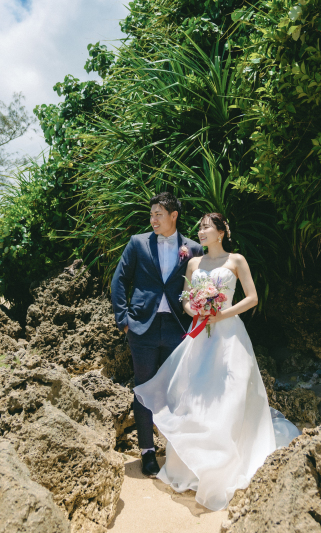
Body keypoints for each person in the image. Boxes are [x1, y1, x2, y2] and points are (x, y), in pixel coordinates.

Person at [133, 212, 300, 511]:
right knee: (194, 396)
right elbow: (185, 299)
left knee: (228, 397)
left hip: (229, 335)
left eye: (207, 227)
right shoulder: (194, 263)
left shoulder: (236, 260)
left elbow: (252, 298)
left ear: (221, 232)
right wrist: (195, 309)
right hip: (199, 334)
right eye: (199, 227)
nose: (201, 232)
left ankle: (227, 463)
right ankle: (192, 467)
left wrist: (221, 314)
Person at [111, 192, 204, 477]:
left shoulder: (193, 248)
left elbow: (199, 288)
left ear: (173, 216)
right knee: (143, 389)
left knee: (178, 390)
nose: (153, 219)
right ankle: (147, 452)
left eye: (158, 214)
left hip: (178, 328)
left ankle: (176, 451)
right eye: (151, 214)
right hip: (142, 328)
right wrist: (123, 320)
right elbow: (119, 280)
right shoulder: (138, 243)